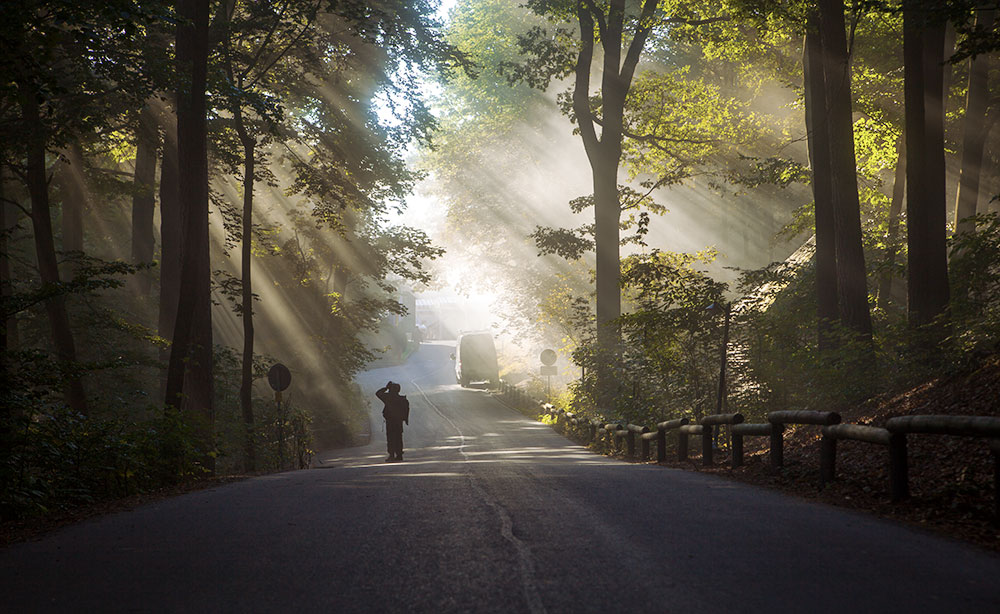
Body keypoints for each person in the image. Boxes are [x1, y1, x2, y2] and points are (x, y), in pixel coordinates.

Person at [376, 381, 409, 462]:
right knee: (398, 437)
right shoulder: (402, 399)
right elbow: (406, 410)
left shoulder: (388, 397)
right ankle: (399, 455)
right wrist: (405, 419)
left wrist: (386, 387)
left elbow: (378, 393)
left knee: (391, 438)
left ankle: (392, 455)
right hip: (398, 422)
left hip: (390, 421)